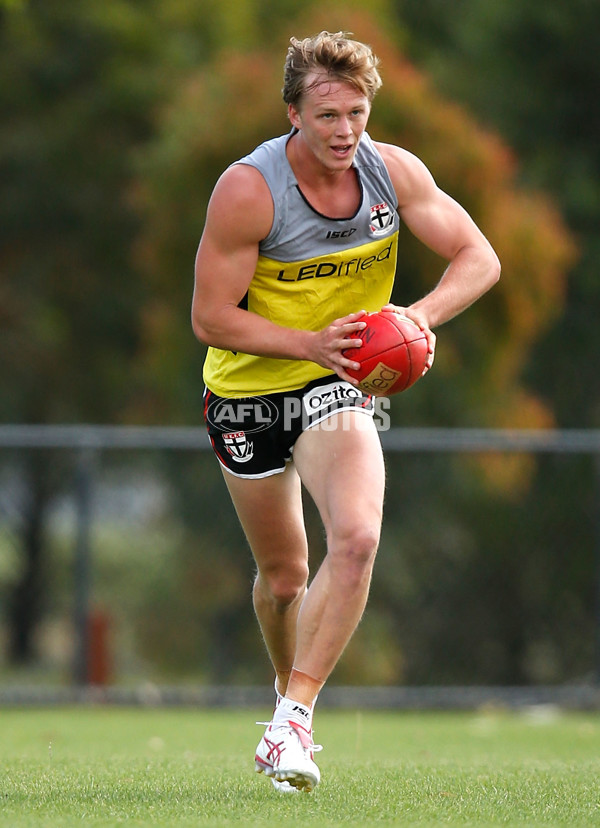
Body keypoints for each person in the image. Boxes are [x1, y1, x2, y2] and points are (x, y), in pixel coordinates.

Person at [192, 31, 500, 792]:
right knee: (287, 576)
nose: (344, 131)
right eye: (327, 114)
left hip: (338, 385)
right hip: (248, 392)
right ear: (292, 113)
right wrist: (308, 341)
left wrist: (416, 318)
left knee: (358, 537)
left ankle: (294, 718)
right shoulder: (248, 190)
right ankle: (283, 697)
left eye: (357, 112)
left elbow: (480, 258)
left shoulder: (392, 173)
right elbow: (209, 317)